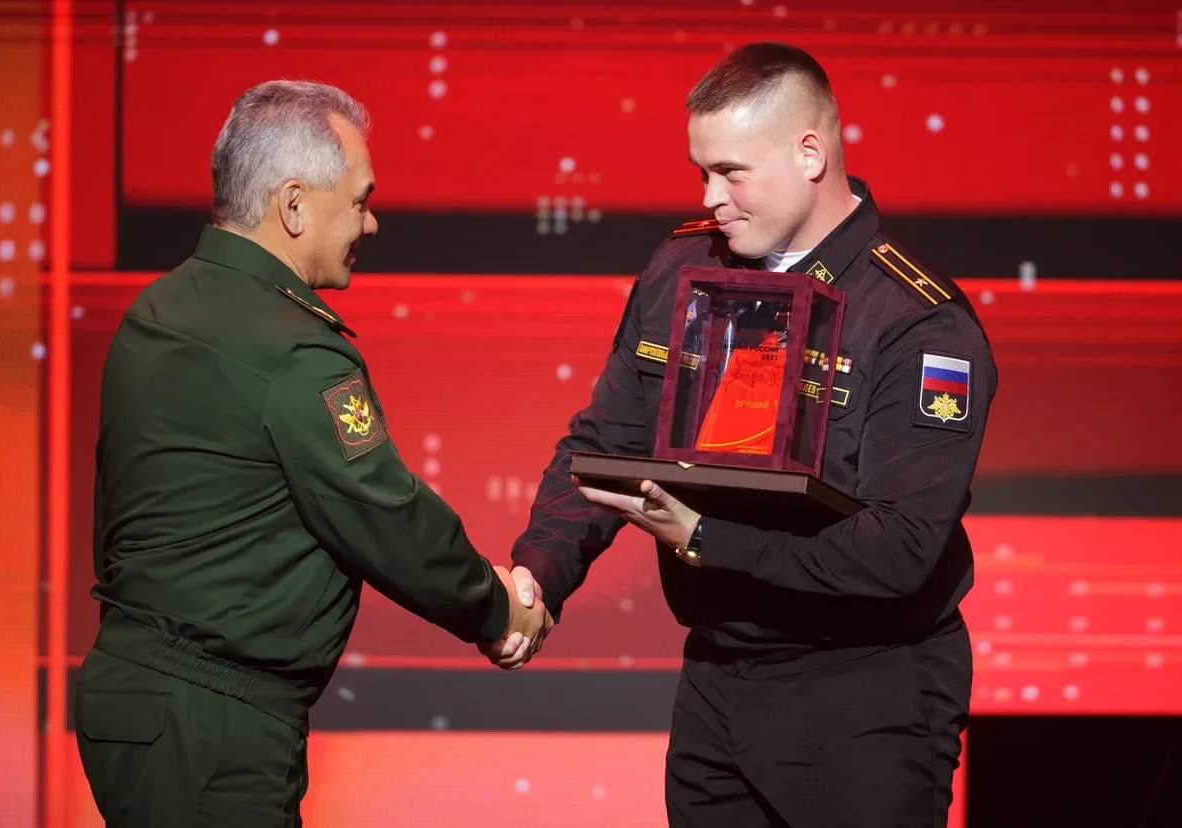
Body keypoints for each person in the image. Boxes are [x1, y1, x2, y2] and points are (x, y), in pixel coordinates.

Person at [510, 43, 996, 827]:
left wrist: (706, 539)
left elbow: (901, 549)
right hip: (716, 678)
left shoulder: (917, 323)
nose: (713, 197)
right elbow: (604, 441)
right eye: (702, 172)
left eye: (731, 173)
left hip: (864, 696)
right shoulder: (680, 266)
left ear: (811, 154)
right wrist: (537, 574)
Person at [76, 80, 550, 827]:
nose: (370, 221)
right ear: (293, 205)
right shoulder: (295, 352)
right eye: (359, 200)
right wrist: (496, 609)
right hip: (212, 726)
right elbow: (384, 514)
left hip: (132, 698)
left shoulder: (157, 312)